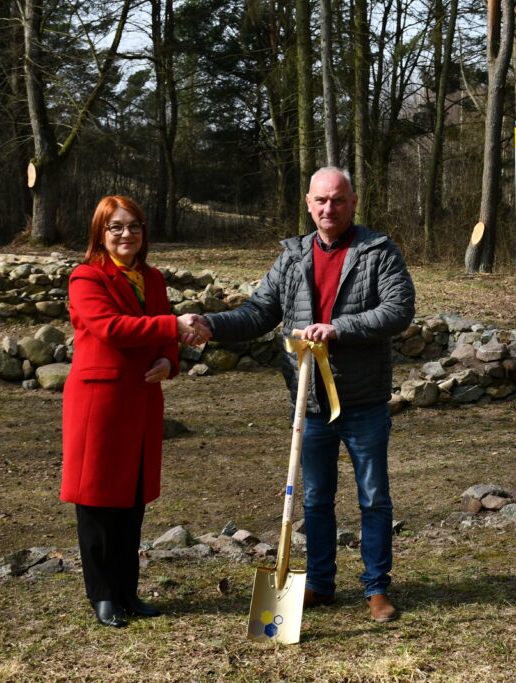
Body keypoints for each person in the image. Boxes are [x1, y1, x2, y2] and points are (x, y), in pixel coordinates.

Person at [183, 167, 415, 623]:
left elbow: (398, 309)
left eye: (339, 200)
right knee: (316, 499)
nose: (330, 208)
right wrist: (212, 324)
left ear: (353, 203)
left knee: (374, 499)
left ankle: (376, 588)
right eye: (321, 200)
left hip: (363, 400)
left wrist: (339, 328)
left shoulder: (378, 252)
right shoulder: (292, 257)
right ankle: (321, 584)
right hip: (309, 403)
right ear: (309, 204)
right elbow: (258, 312)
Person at [61, 196, 209, 628]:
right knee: (97, 501)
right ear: (100, 233)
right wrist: (173, 326)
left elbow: (163, 335)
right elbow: (110, 328)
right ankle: (103, 595)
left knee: (132, 499)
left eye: (134, 226)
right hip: (100, 403)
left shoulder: (152, 278)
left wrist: (169, 359)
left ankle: (127, 591)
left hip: (142, 399)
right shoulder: (86, 277)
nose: (127, 234)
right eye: (116, 227)